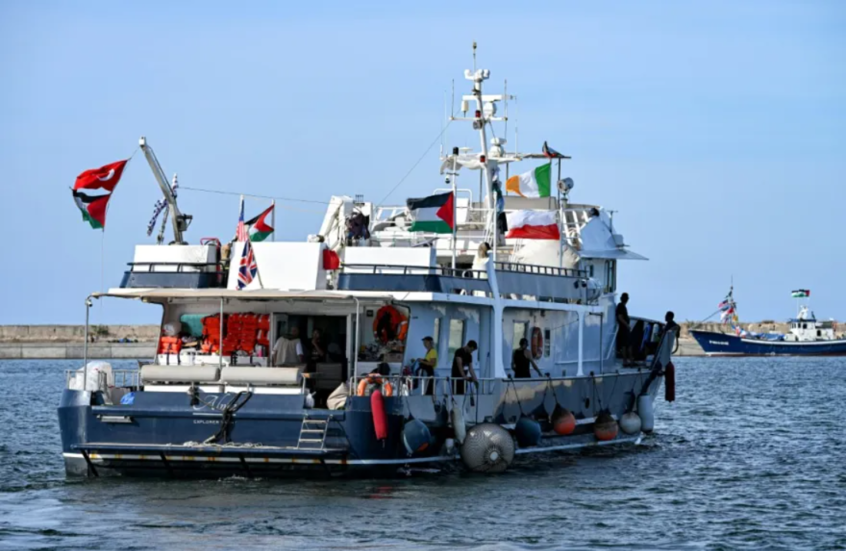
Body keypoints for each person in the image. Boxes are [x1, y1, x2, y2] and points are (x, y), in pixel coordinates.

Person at [616, 293, 633, 367]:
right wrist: (627, 325)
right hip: (624, 329)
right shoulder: (621, 306)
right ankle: (627, 361)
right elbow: (620, 317)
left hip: (624, 329)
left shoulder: (622, 306)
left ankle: (627, 360)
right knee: (627, 345)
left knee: (627, 345)